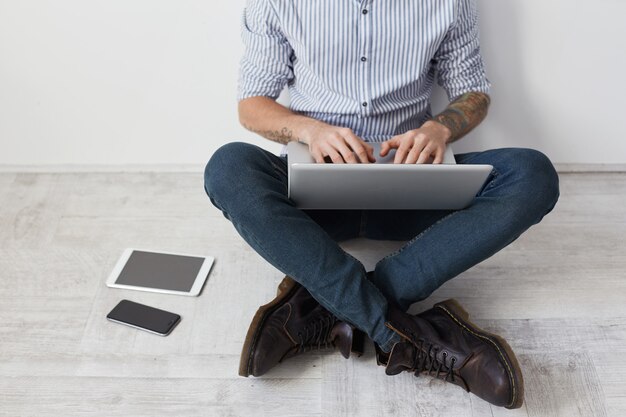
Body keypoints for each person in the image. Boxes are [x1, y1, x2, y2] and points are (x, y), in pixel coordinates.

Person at [204, 0, 559, 409]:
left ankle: (323, 306)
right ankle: (402, 335)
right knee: (228, 167)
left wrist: (439, 129)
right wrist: (311, 130)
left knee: (533, 174)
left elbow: (473, 92)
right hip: (313, 198)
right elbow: (252, 104)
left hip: (414, 190)